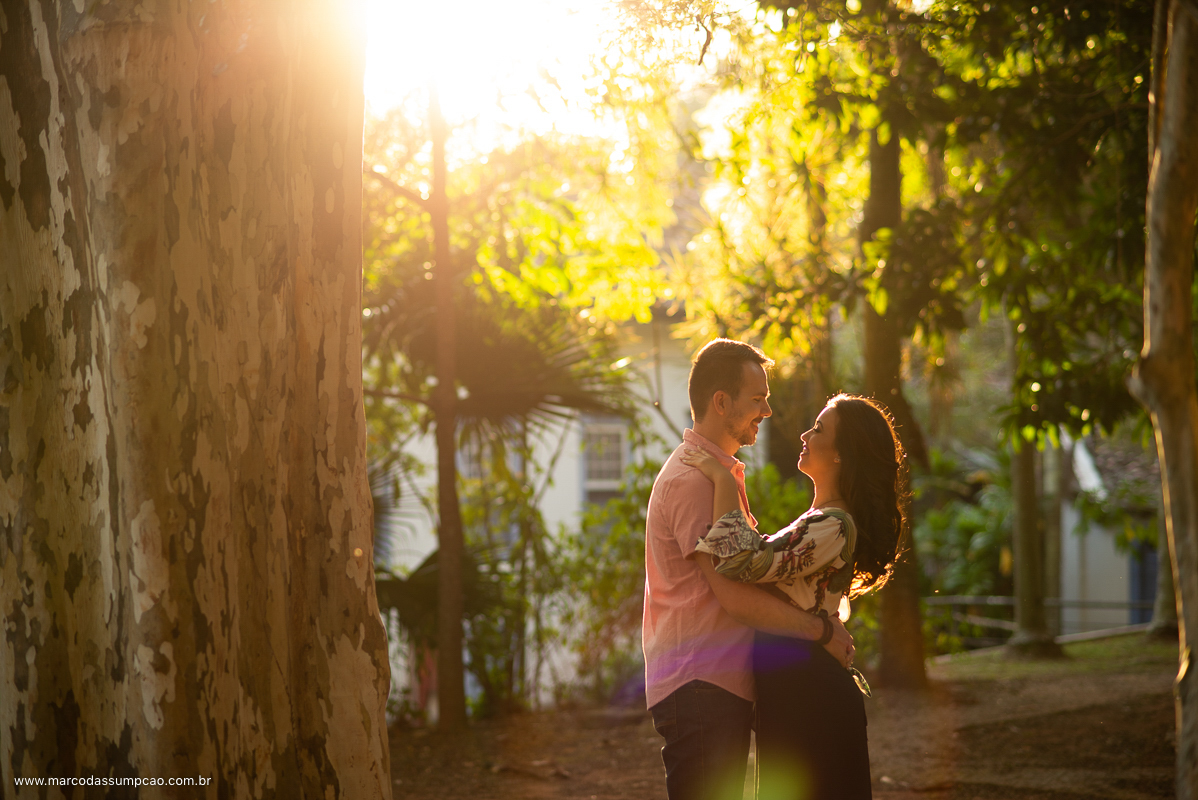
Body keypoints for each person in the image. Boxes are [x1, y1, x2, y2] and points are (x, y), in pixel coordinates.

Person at [643, 339, 856, 800]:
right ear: (722, 403)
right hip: (701, 681)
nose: (768, 411)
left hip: (716, 681)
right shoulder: (694, 481)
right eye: (757, 398)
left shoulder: (716, 474)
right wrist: (819, 632)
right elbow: (734, 595)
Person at [680, 393, 908, 800]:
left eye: (819, 429)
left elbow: (743, 564)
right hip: (794, 689)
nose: (805, 434)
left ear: (842, 454)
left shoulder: (833, 526)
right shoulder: (818, 521)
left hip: (811, 694)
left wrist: (721, 477)